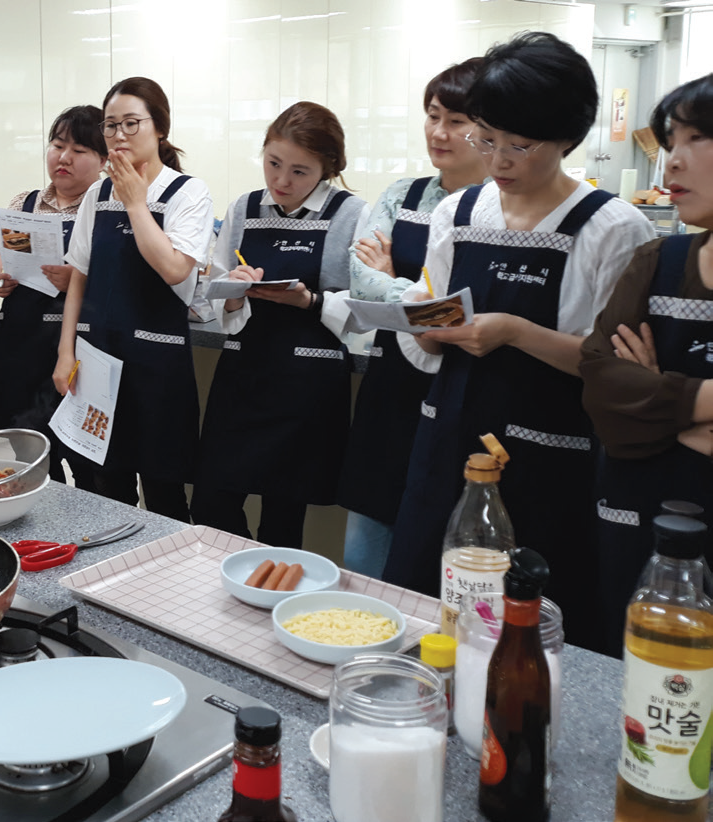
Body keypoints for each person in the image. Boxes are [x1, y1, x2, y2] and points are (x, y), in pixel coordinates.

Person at [382, 33, 655, 651]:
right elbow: (427, 329)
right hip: (447, 447)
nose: (499, 160)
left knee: (531, 636)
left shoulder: (613, 229)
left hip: (552, 466)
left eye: (519, 145)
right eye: (486, 139)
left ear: (567, 137)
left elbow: (621, 372)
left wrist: (516, 331)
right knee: (429, 617)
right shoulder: (457, 214)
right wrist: (427, 330)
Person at [336, 60, 488, 576]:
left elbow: (472, 311)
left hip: (461, 387)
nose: (439, 132)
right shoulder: (403, 195)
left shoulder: (498, 210)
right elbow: (361, 281)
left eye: (456, 121)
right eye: (433, 116)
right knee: (365, 549)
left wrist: (397, 283)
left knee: (449, 550)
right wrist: (426, 298)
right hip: (390, 386)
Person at [190, 102, 365, 546]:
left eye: (299, 171)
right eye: (273, 163)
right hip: (243, 376)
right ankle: (237, 574)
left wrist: (309, 300)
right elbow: (213, 294)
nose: (282, 181)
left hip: (307, 384)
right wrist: (234, 291)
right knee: (210, 505)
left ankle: (270, 583)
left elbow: (364, 311)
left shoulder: (352, 214)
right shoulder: (244, 208)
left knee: (283, 520)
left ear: (327, 169)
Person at [580, 74, 713, 656]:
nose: (672, 162)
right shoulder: (659, 259)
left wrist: (658, 396)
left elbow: (634, 399)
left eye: (697, 138)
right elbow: (603, 386)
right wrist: (699, 403)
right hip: (639, 514)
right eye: (670, 141)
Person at [53, 77, 214, 520]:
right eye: (110, 125)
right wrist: (65, 352)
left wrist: (136, 204)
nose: (119, 135)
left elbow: (175, 269)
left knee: (164, 496)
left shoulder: (188, 192)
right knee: (108, 490)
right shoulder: (96, 194)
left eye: (131, 123)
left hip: (158, 367)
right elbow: (78, 278)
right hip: (98, 361)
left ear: (159, 128)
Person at [0, 105, 107, 483]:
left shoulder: (107, 209)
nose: (64, 158)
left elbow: (121, 281)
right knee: (30, 456)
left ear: (104, 160)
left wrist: (79, 281)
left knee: (90, 466)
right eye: (57, 145)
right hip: (22, 345)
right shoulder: (26, 202)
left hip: (79, 351)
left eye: (79, 150)